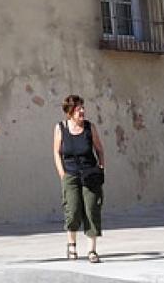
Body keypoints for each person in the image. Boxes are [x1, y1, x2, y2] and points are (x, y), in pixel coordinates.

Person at [52, 94, 106, 263]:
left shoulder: (90, 128)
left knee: (91, 209)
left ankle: (92, 250)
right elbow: (56, 152)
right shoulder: (61, 128)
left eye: (83, 108)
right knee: (73, 210)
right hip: (70, 174)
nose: (82, 111)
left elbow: (99, 149)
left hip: (90, 174)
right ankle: (72, 245)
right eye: (78, 109)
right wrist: (62, 173)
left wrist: (101, 166)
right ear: (69, 112)